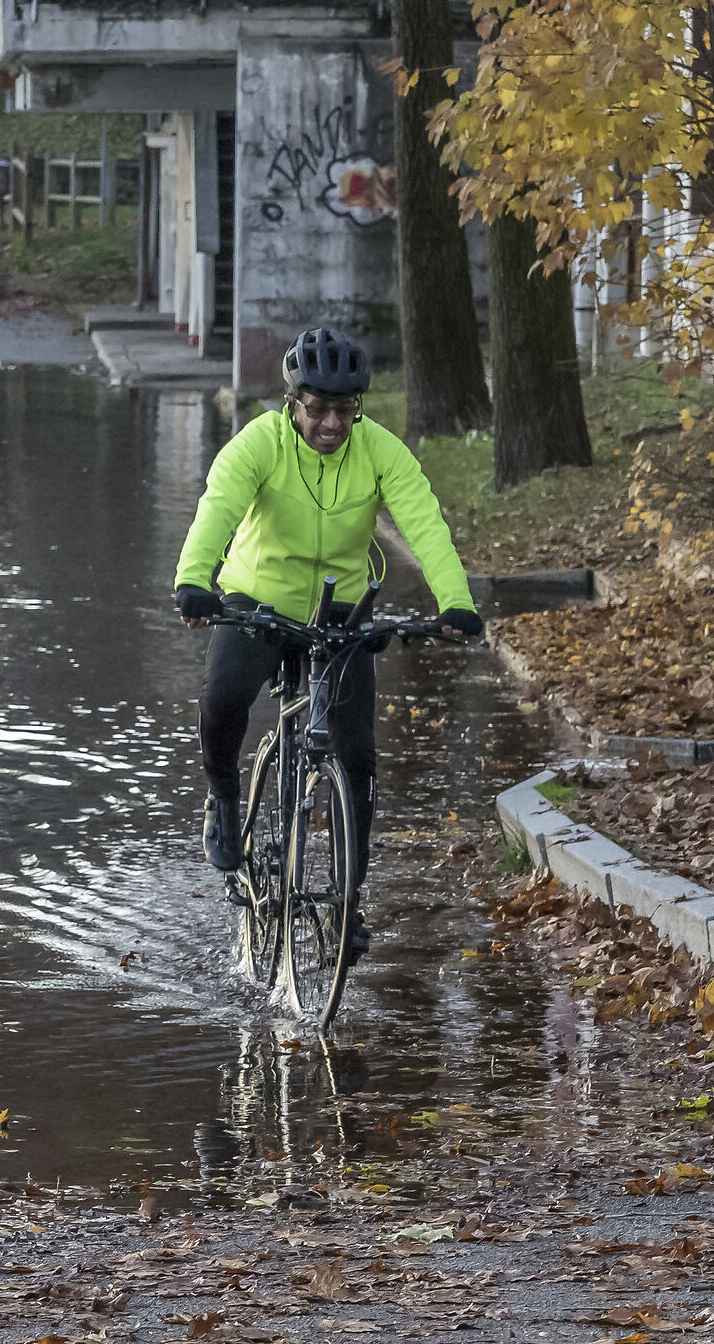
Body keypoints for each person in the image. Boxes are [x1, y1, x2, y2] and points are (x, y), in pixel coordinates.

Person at [172, 327, 484, 960]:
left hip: (342, 608)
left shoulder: (380, 451)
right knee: (225, 695)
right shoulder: (258, 443)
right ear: (294, 402)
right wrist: (193, 580)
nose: (333, 422)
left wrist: (456, 601)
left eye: (346, 409)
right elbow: (218, 508)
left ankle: (347, 902)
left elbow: (424, 522)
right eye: (318, 408)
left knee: (357, 759)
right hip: (257, 598)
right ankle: (224, 798)